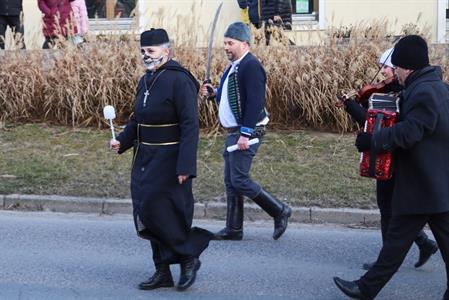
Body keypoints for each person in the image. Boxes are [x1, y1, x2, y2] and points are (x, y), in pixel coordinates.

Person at [334, 35, 449, 300]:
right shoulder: (437, 87)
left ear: (407, 67)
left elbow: (410, 132)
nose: (393, 71)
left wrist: (373, 141)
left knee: (395, 241)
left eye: (396, 67)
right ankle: (366, 288)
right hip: (435, 183)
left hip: (422, 182)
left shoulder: (423, 92)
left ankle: (365, 289)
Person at [110, 28, 213, 291]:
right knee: (146, 213)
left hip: (170, 161)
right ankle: (162, 271)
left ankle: (189, 258)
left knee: (166, 214)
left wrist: (186, 166)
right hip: (144, 158)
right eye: (143, 51)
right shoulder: (145, 81)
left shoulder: (180, 81)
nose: (146, 55)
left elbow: (190, 125)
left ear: (166, 51)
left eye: (151, 51)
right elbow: (138, 119)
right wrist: (122, 140)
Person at [200, 22, 292, 241]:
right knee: (231, 181)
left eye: (230, 43)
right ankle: (234, 229)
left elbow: (254, 102)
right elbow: (228, 96)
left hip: (246, 131)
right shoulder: (233, 67)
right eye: (224, 43)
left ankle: (280, 211)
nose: (226, 47)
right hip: (233, 131)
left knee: (239, 179)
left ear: (244, 43)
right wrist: (212, 93)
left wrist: (246, 133)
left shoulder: (251, 66)